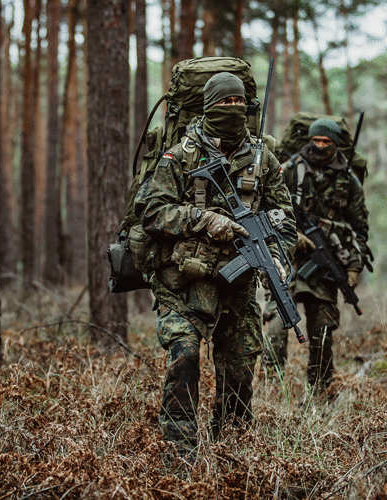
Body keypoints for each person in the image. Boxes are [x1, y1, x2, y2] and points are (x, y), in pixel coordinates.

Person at [134, 72, 296, 459]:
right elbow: (152, 212)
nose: (233, 109)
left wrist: (278, 255)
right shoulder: (180, 156)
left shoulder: (263, 158)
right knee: (185, 360)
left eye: (239, 103)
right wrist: (205, 220)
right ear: (208, 106)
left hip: (238, 286)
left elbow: (284, 216)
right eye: (225, 103)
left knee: (240, 369)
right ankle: (179, 456)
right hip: (182, 281)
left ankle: (233, 452)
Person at [262, 118, 370, 394]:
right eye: (316, 141)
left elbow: (359, 227)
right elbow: (264, 208)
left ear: (336, 145)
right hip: (283, 259)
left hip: (323, 266)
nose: (320, 146)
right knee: (275, 326)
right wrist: (292, 234)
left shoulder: (348, 181)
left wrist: (354, 268)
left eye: (327, 142)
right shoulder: (288, 171)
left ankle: (320, 391)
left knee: (322, 331)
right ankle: (271, 389)